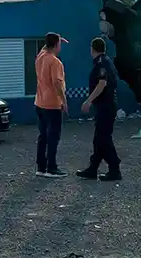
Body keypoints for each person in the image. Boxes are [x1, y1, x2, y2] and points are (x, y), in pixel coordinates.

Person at [76, 37, 122, 181]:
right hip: (105, 105)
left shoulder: (101, 63)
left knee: (103, 138)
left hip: (106, 106)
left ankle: (115, 168)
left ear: (92, 49)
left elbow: (102, 83)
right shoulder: (106, 61)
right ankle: (93, 168)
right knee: (99, 139)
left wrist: (88, 101)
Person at [34, 32, 69, 178]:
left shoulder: (40, 57)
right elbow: (57, 83)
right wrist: (64, 101)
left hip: (40, 103)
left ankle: (41, 167)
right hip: (52, 104)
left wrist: (55, 39)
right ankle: (52, 168)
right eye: (59, 43)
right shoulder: (55, 62)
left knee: (43, 136)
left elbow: (45, 47)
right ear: (56, 45)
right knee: (53, 136)